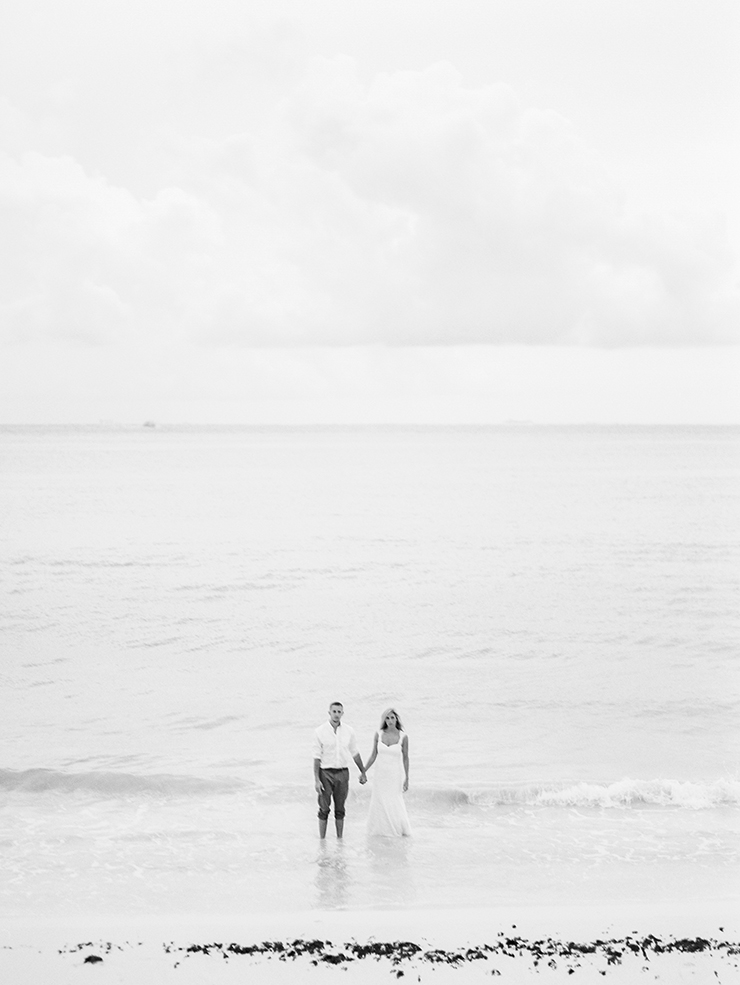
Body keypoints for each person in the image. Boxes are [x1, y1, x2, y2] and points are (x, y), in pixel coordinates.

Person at [313, 701, 367, 839]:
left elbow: (354, 752)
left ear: (342, 713)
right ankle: (322, 841)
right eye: (334, 711)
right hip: (325, 773)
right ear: (329, 713)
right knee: (324, 808)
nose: (336, 714)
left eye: (339, 712)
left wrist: (363, 771)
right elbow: (317, 757)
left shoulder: (349, 731)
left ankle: (339, 840)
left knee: (340, 808)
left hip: (343, 773)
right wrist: (317, 780)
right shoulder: (320, 731)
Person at [364, 708, 411, 837]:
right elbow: (373, 755)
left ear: (396, 719)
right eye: (387, 718)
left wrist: (407, 778)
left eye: (392, 718)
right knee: (379, 800)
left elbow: (406, 758)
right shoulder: (378, 734)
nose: (390, 721)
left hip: (394, 775)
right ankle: (380, 830)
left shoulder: (403, 737)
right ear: (384, 720)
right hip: (380, 774)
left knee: (394, 800)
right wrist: (364, 771)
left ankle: (396, 828)